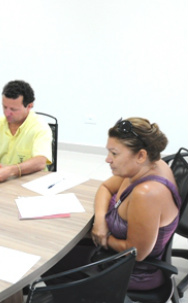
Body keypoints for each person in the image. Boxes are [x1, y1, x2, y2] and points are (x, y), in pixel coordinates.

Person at [50, 118, 180, 291]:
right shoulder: (147, 165)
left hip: (133, 271)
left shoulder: (146, 193)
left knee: (51, 261)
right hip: (115, 253)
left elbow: (136, 253)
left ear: (141, 155)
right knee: (60, 241)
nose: (107, 159)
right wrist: (100, 223)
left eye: (114, 153)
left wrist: (105, 238)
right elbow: (105, 187)